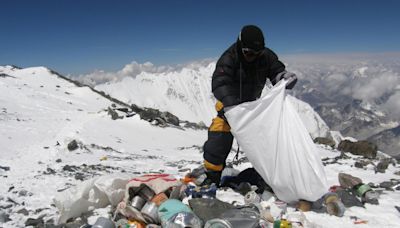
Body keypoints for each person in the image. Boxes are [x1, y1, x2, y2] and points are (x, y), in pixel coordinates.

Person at [202, 25, 298, 185]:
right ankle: (212, 178)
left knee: (267, 142)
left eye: (257, 53)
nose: (252, 56)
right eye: (248, 52)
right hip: (229, 109)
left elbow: (276, 70)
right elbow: (219, 83)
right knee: (218, 141)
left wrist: (283, 77)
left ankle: (269, 178)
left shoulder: (265, 56)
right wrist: (233, 106)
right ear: (240, 46)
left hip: (253, 110)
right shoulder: (229, 58)